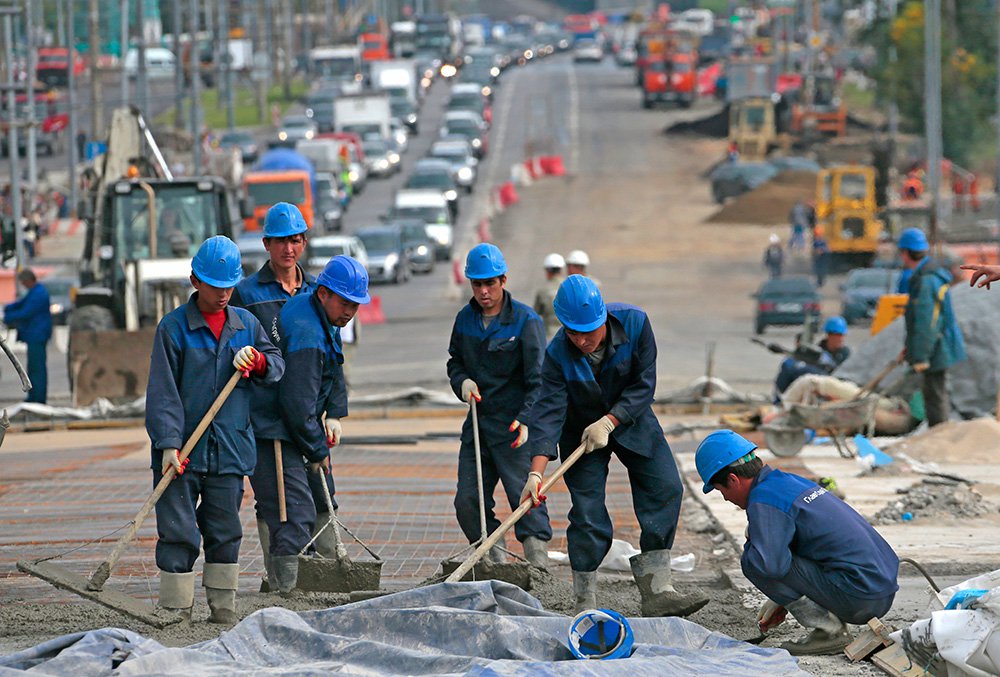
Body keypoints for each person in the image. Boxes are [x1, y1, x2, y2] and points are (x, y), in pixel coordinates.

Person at [523, 275, 707, 616]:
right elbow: (547, 414)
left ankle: (657, 589)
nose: (580, 340)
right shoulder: (556, 355)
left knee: (665, 486)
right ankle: (585, 600)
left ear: (603, 318)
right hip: (580, 432)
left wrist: (610, 420)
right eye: (572, 332)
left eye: (588, 332)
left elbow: (644, 384)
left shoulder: (636, 324)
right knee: (588, 513)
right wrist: (535, 474)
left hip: (631, 418)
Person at [145, 236, 284, 624]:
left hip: (229, 448)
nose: (223, 294)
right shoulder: (173, 329)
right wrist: (168, 445)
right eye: (215, 286)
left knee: (225, 528)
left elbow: (276, 365)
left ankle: (223, 606)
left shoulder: (246, 326)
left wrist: (257, 361)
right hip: (183, 451)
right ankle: (176, 608)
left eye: (229, 287)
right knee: (179, 529)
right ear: (195, 281)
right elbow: (162, 393)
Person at [695, 430, 899, 655]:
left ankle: (829, 632)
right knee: (767, 549)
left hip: (860, 598)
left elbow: (770, 567)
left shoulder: (764, 499)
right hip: (882, 587)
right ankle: (829, 625)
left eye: (720, 490)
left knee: (753, 559)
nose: (725, 498)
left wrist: (782, 593)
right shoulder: (789, 482)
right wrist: (781, 599)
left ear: (733, 480)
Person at [230, 203, 320, 592]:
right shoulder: (246, 294)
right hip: (264, 418)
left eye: (296, 239)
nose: (289, 248)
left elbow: (330, 357)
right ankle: (285, 582)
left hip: (307, 416)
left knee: (318, 496)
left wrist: (334, 412)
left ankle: (316, 573)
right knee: (278, 503)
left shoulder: (317, 292)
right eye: (281, 240)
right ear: (267, 244)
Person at [446, 243, 551, 568]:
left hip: (513, 428)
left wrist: (527, 419)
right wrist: (461, 382)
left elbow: (539, 379)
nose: (483, 291)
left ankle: (539, 567)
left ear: (503, 280)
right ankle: (495, 558)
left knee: (525, 500)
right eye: (477, 284)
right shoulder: (465, 319)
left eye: (489, 283)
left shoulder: (525, 321)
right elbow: (455, 362)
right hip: (478, 426)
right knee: (467, 500)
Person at [273, 255, 371, 593]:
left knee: (323, 490)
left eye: (356, 305)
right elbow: (297, 405)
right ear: (324, 292)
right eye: (345, 302)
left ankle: (328, 570)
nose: (350, 312)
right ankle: (289, 588)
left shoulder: (324, 315)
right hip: (279, 428)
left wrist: (334, 412)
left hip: (304, 421)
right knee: (295, 508)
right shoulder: (306, 332)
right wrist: (316, 450)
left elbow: (334, 366)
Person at [897, 227, 966, 427]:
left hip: (937, 346)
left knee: (934, 394)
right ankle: (938, 434)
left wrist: (921, 356)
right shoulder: (928, 275)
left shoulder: (927, 281)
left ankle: (940, 438)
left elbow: (928, 322)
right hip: (936, 344)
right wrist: (911, 348)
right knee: (934, 393)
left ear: (905, 252)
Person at [4, 269, 52, 404]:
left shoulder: (39, 294)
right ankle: (34, 396)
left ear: (29, 281)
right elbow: (21, 303)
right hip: (34, 335)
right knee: (33, 368)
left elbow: (26, 311)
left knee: (37, 369)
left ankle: (39, 398)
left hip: (37, 335)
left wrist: (8, 317)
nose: (24, 285)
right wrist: (8, 307)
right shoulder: (35, 292)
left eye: (24, 283)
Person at [533, 252, 565, 339]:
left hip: (549, 337)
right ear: (561, 269)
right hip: (568, 335)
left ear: (547, 270)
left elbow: (535, 313)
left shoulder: (543, 290)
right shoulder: (569, 287)